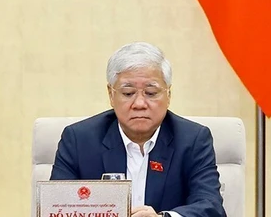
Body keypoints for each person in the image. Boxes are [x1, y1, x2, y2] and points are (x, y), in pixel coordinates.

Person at [51, 42, 225, 217]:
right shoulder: (79, 140)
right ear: (111, 95)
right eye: (128, 93)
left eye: (151, 93)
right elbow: (55, 207)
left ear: (168, 95)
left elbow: (210, 207)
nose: (140, 104)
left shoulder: (193, 140)